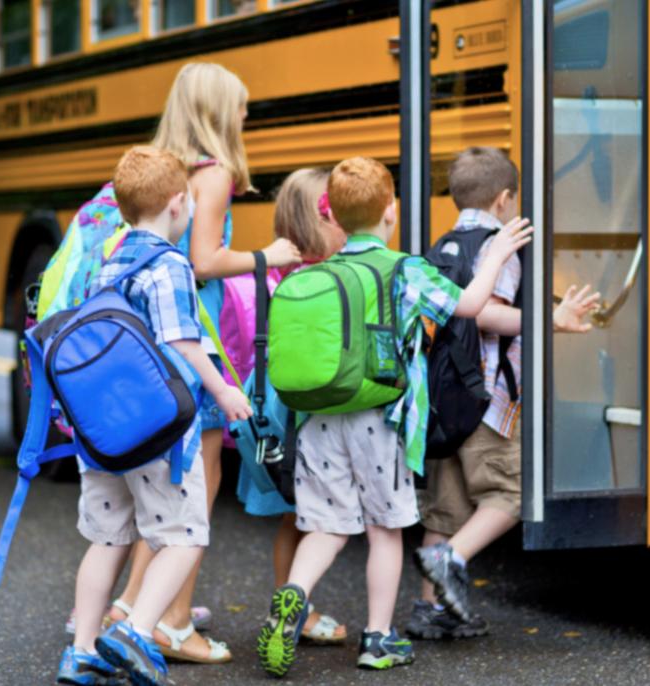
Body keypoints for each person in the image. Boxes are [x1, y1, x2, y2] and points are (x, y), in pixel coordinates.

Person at [255, 156, 534, 676]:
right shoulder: (405, 269)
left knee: (327, 529)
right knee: (384, 531)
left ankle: (293, 594)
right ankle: (378, 639)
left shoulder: (322, 271)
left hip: (318, 421)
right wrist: (494, 255)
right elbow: (471, 305)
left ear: (333, 218)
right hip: (378, 422)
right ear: (392, 210)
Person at [100, 62, 301, 665]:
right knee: (197, 483)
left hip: (152, 341)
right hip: (195, 332)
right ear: (218, 112)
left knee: (167, 487)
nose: (245, 118)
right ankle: (174, 622)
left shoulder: (163, 166)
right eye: (240, 107)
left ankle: (133, 605)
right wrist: (268, 254)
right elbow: (205, 260)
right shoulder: (210, 175)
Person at [57, 146, 252, 686]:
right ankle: (137, 630)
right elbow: (185, 346)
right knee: (186, 534)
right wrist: (227, 393)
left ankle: (82, 651)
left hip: (103, 429)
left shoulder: (108, 260)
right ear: (177, 204)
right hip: (157, 430)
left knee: (108, 538)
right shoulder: (169, 265)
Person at [407, 146, 601, 640]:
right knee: (511, 492)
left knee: (446, 510)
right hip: (487, 402)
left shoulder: (444, 245)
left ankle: (431, 611)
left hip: (443, 399)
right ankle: (448, 560)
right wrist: (551, 320)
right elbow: (488, 313)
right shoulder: (502, 243)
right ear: (505, 198)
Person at [227, 168, 349, 645]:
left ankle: (290, 601)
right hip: (305, 409)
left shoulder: (280, 272)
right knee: (314, 516)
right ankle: (299, 606)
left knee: (291, 515)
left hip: (273, 405)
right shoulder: (321, 278)